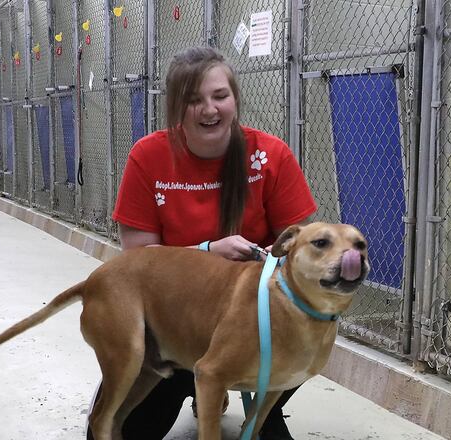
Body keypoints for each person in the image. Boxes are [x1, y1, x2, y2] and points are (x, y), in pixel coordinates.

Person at [88, 46, 316, 439]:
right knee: (126, 428)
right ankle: (194, 383)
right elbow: (137, 262)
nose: (208, 110)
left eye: (219, 96)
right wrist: (209, 252)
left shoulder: (271, 155)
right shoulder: (149, 156)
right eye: (193, 100)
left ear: (235, 100)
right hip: (173, 321)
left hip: (253, 319)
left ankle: (245, 398)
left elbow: (304, 256)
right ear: (176, 107)